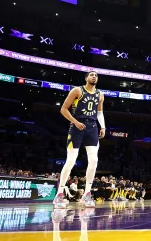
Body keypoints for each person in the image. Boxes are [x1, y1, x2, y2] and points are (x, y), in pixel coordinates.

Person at [53, 71, 105, 209]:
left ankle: (87, 193)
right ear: (86, 78)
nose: (94, 76)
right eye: (91, 75)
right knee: (71, 161)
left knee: (94, 160)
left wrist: (103, 127)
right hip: (77, 127)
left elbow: (99, 112)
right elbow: (63, 109)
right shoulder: (77, 90)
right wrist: (75, 122)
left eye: (96, 75)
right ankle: (59, 194)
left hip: (92, 127)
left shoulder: (100, 94)